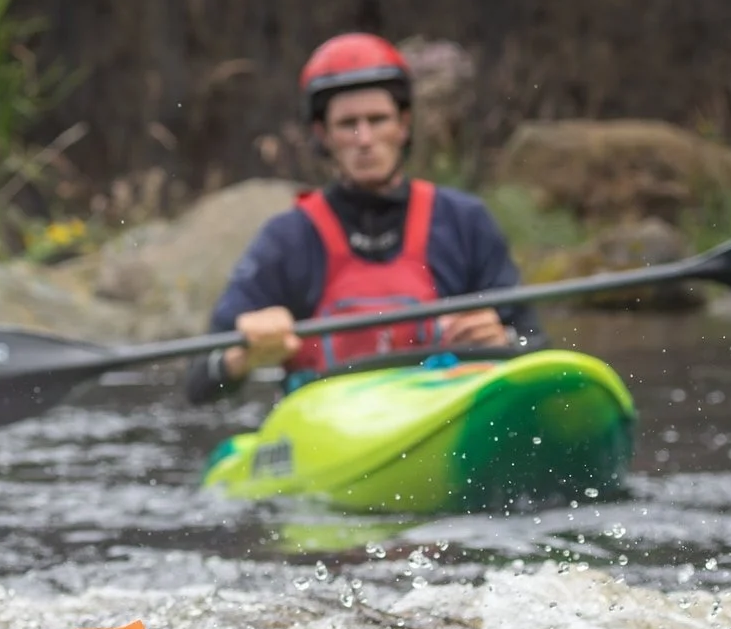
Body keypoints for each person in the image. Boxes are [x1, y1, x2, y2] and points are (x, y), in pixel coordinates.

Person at [186, 33, 539, 403]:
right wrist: (241, 357)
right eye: (348, 124)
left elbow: (535, 343)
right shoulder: (288, 239)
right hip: (328, 431)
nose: (364, 138)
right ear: (323, 135)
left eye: (378, 119)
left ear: (403, 125)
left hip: (443, 414)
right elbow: (198, 382)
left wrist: (505, 341)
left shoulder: (465, 222)